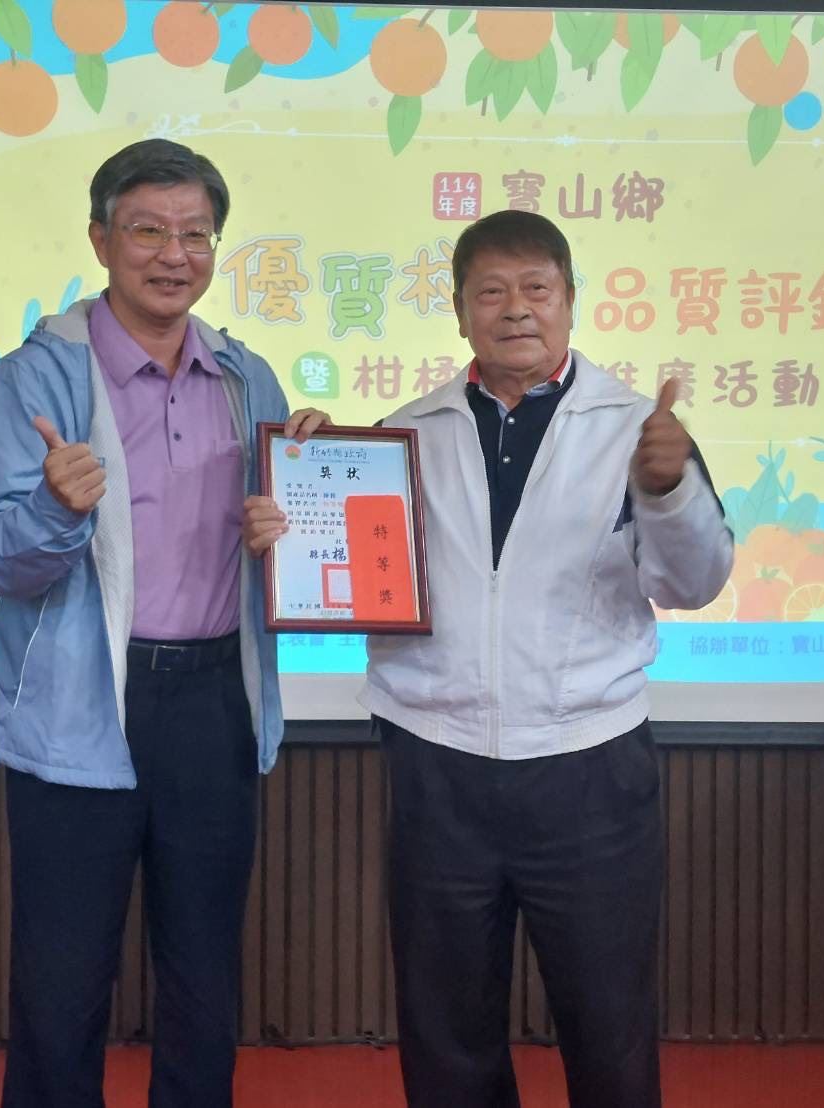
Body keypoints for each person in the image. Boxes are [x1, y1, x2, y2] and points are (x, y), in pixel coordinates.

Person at [246, 209, 733, 1108]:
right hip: (439, 764)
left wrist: (668, 491)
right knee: (446, 1030)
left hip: (588, 765)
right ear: (460, 310)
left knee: (608, 1021)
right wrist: (305, 484)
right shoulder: (406, 432)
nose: (515, 309)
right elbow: (351, 572)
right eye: (491, 292)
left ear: (571, 300)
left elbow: (693, 582)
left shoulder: (637, 431)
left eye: (536, 288)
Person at [0, 139, 325, 1108]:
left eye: (196, 234)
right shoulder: (36, 378)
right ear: (100, 239)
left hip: (213, 704)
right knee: (62, 982)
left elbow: (284, 551)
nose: (174, 254)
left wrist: (315, 495)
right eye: (148, 231)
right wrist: (55, 508)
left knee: (204, 979)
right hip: (82, 708)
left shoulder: (247, 379)